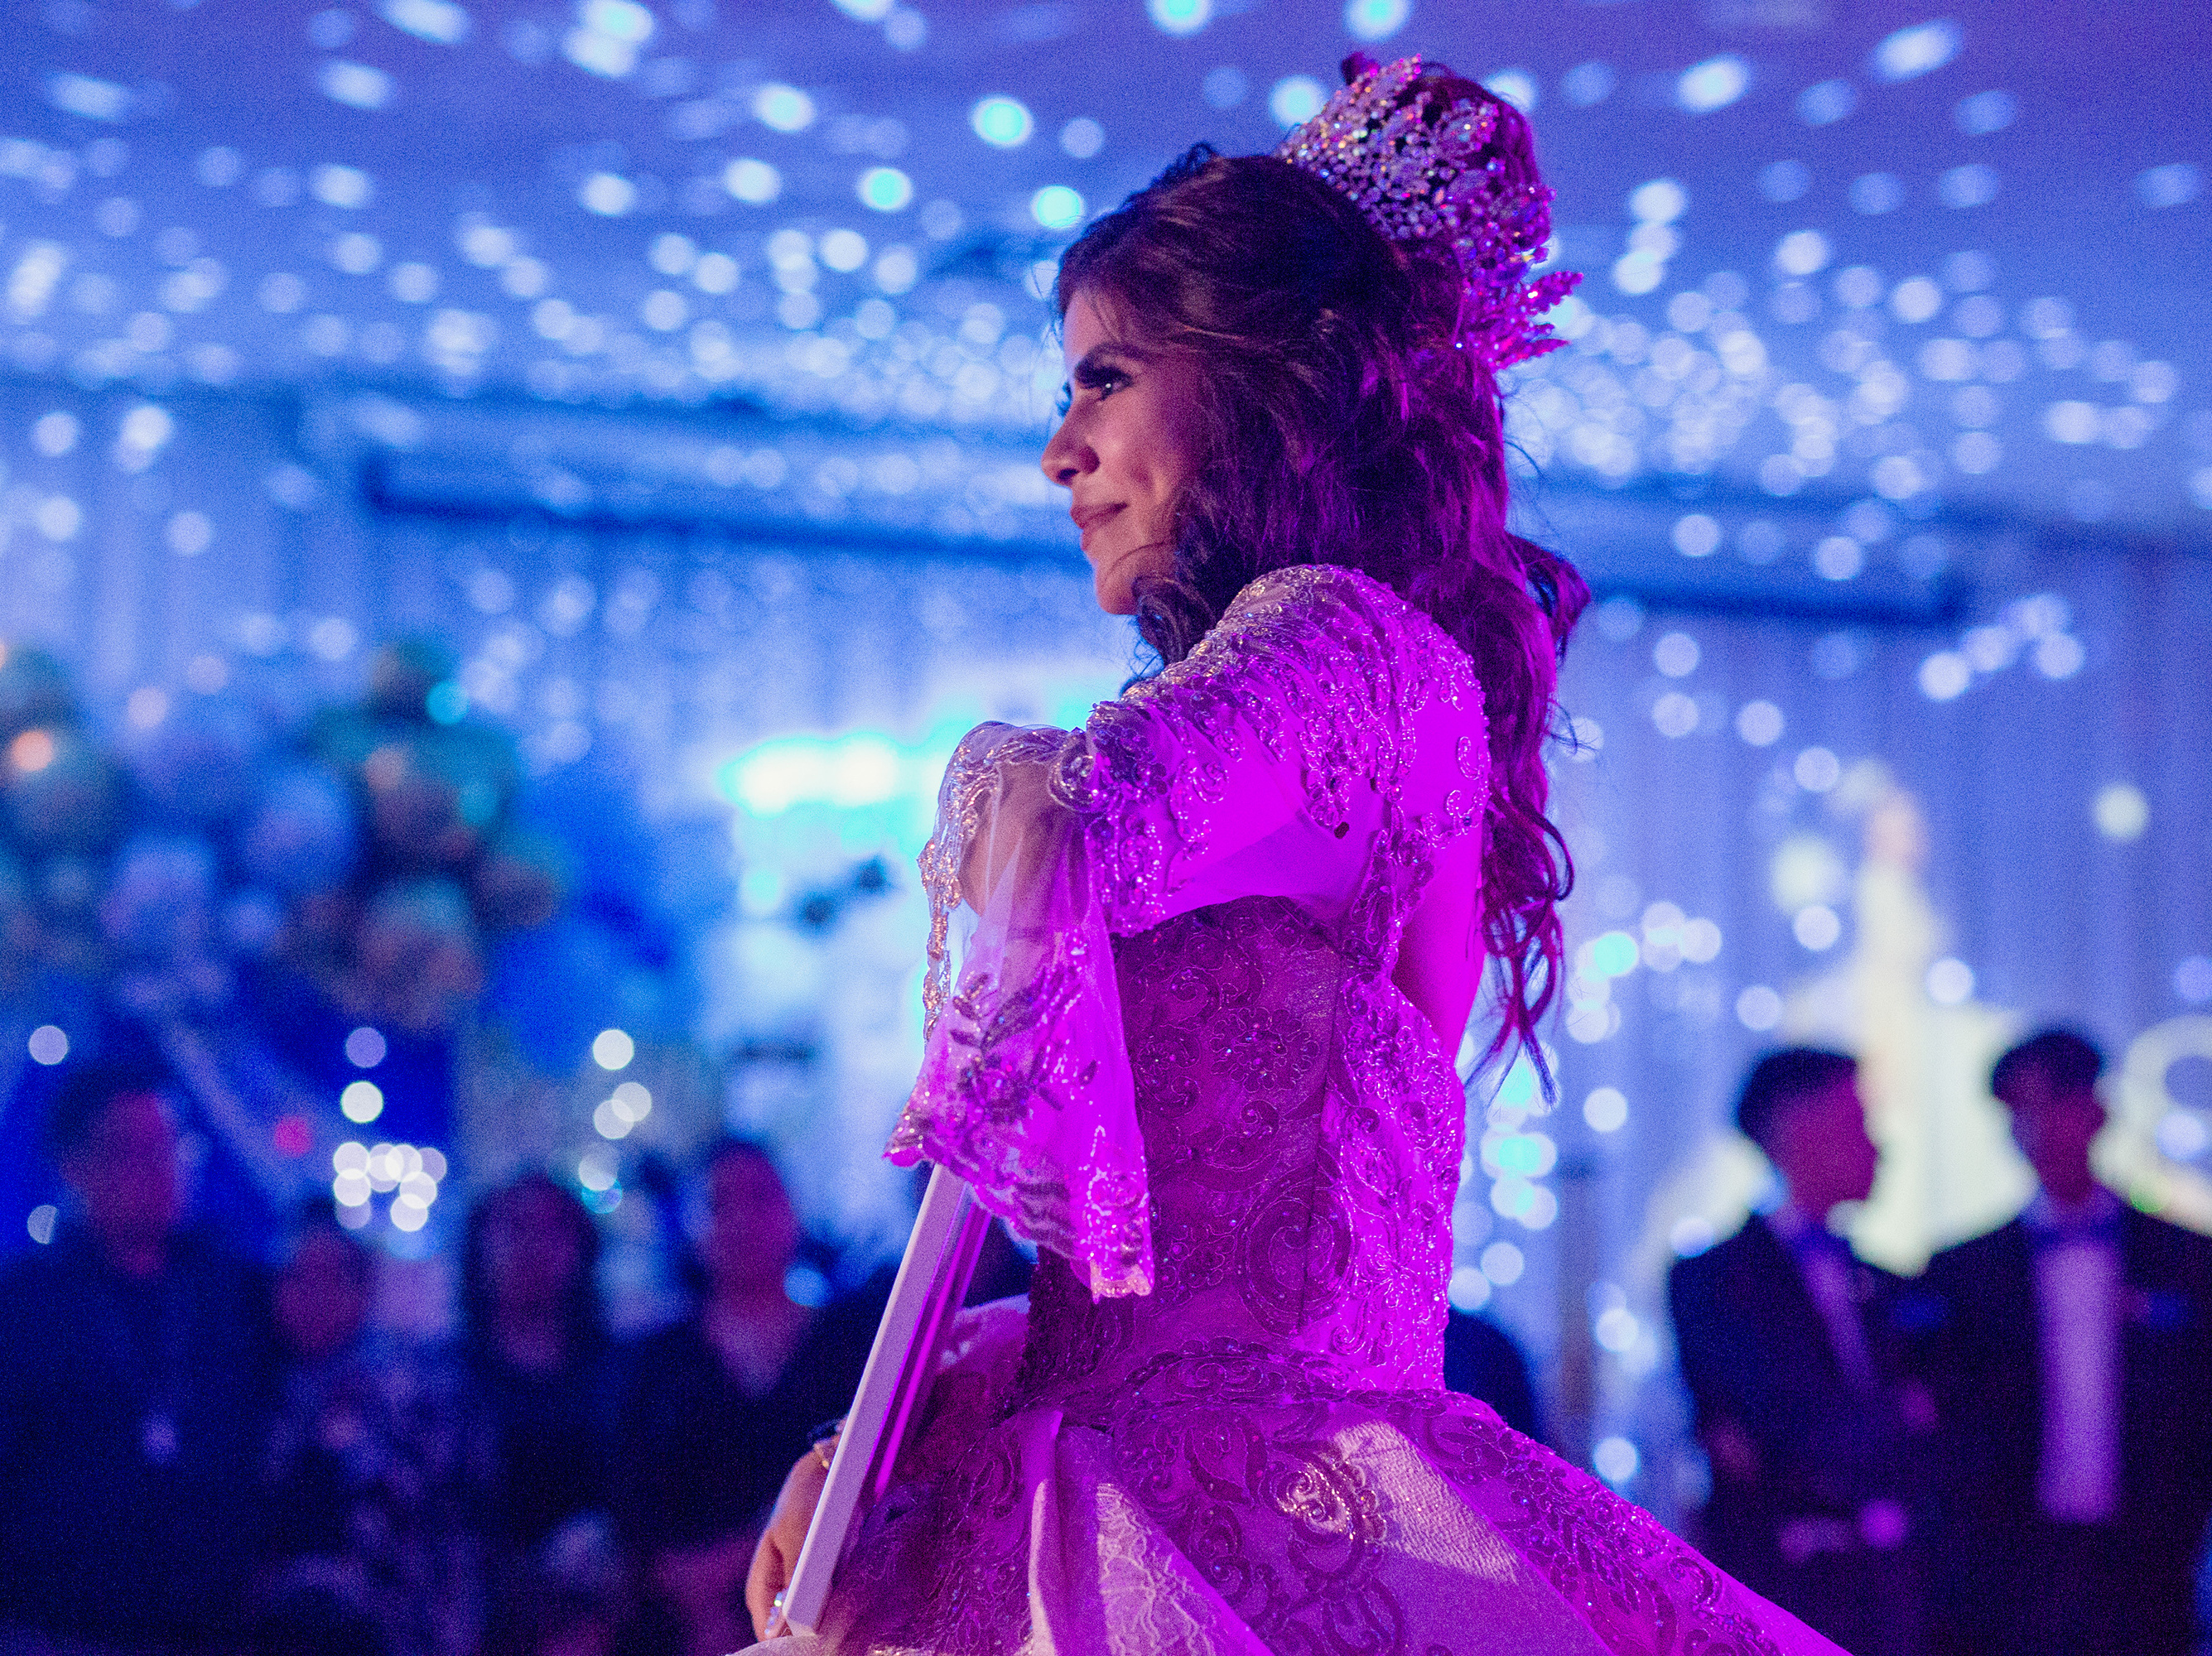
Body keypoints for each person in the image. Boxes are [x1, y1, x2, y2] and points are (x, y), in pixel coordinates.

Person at [738, 53, 1843, 1655]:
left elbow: (1054, 830)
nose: (1059, 452)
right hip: (1136, 1486)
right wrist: (898, 1427)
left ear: (1271, 379)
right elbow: (1145, 1295)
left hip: (1227, 1517)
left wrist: (985, 771)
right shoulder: (1352, 683)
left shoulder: (1342, 645)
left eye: (1105, 380)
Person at [1916, 1028, 2212, 1656]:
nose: (2036, 1129)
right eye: (2018, 1113)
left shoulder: (2186, 1261)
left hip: (2152, 1555)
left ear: (2097, 1111)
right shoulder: (1964, 1272)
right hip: (2011, 1564)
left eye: (2051, 1105)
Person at [0, 1060, 272, 1652]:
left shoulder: (231, 1291)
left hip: (212, 1627)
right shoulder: (24, 1304)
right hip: (56, 1625)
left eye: (171, 1144)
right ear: (75, 1166)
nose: (160, 1166)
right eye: (132, 1148)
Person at [1669, 1048, 1931, 1656]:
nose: (1876, 1147)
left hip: (1898, 1591)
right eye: (1856, 1122)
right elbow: (1770, 1422)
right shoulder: (1714, 1280)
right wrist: (1896, 1421)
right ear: (1798, 1131)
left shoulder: (1888, 1283)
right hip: (1778, 1589)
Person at [615, 1139, 882, 1656]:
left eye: (760, 1197)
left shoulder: (853, 1343)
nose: (741, 1219)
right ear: (693, 1225)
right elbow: (629, 1507)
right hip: (685, 1629)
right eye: (720, 1202)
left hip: (842, 1614)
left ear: (792, 1211)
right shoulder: (653, 1362)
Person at [260, 1202, 484, 1656]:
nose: (310, 1294)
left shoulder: (417, 1391)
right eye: (296, 1277)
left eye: (328, 1277)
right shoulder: (266, 1390)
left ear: (362, 1290)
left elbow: (413, 1522)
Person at [460, 1172, 624, 1645]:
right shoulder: (441, 1384)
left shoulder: (623, 1374)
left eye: (554, 1227)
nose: (535, 1244)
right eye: (516, 1226)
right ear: (479, 1248)